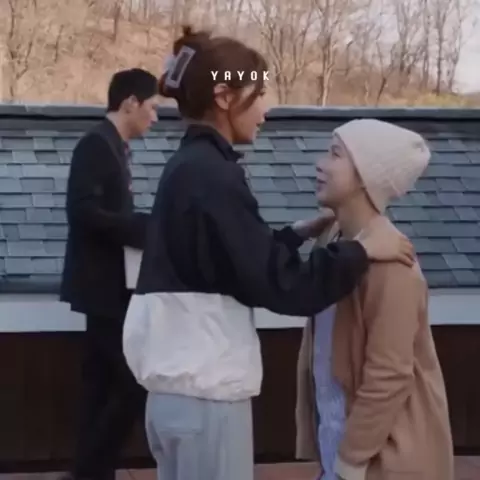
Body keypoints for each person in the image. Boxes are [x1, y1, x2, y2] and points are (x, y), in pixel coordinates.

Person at [122, 27, 415, 480]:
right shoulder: (213, 177)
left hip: (180, 397)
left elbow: (228, 262)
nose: (266, 109)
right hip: (207, 397)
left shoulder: (190, 167)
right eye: (258, 94)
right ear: (224, 96)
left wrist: (292, 236)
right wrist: (360, 251)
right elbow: (283, 286)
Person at [295, 119, 454, 480]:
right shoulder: (333, 241)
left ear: (367, 176)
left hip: (381, 463)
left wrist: (350, 462)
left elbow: (389, 375)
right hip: (338, 452)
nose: (319, 164)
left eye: (335, 154)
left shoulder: (393, 266)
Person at [59, 68, 161, 480]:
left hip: (110, 289)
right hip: (101, 289)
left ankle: (90, 472)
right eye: (152, 107)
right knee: (132, 383)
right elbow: (82, 211)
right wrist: (142, 229)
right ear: (130, 103)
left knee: (100, 386)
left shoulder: (113, 146)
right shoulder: (96, 145)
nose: (155, 117)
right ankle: (90, 470)